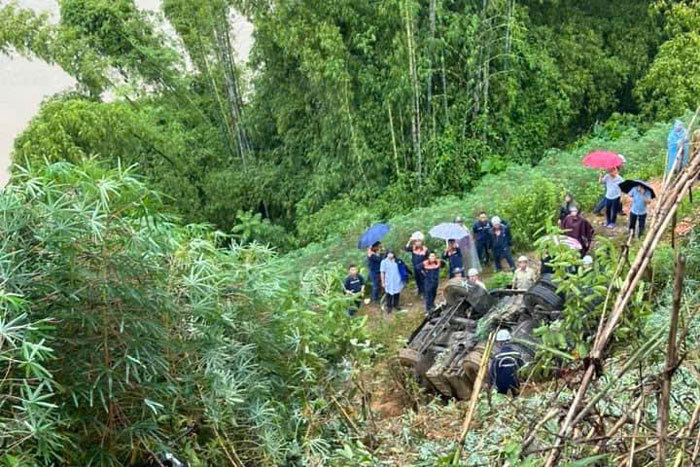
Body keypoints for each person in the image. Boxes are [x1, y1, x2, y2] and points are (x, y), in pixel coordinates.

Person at [489, 330, 523, 397]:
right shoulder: (516, 354)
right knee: (517, 396)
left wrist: (492, 382)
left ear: (500, 343)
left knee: (500, 396)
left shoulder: (497, 356)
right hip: (515, 382)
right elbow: (522, 368)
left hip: (501, 383)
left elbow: (492, 372)